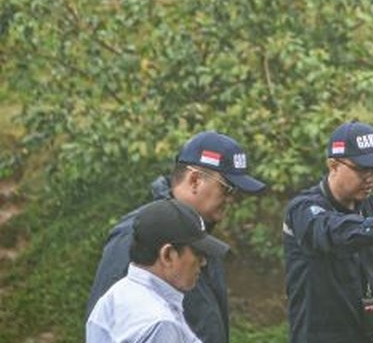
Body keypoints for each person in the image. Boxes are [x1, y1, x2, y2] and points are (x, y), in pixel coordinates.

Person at [88, 131, 267, 343]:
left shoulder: (203, 237)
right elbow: (109, 323)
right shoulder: (136, 232)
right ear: (194, 180)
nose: (231, 200)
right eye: (227, 188)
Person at [283, 121, 373, 343]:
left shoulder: (371, 206)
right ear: (333, 165)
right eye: (363, 170)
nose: (371, 178)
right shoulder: (303, 209)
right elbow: (330, 232)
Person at [87, 198, 231, 343]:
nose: (203, 262)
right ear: (167, 255)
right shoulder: (161, 324)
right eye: (198, 254)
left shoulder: (114, 296)